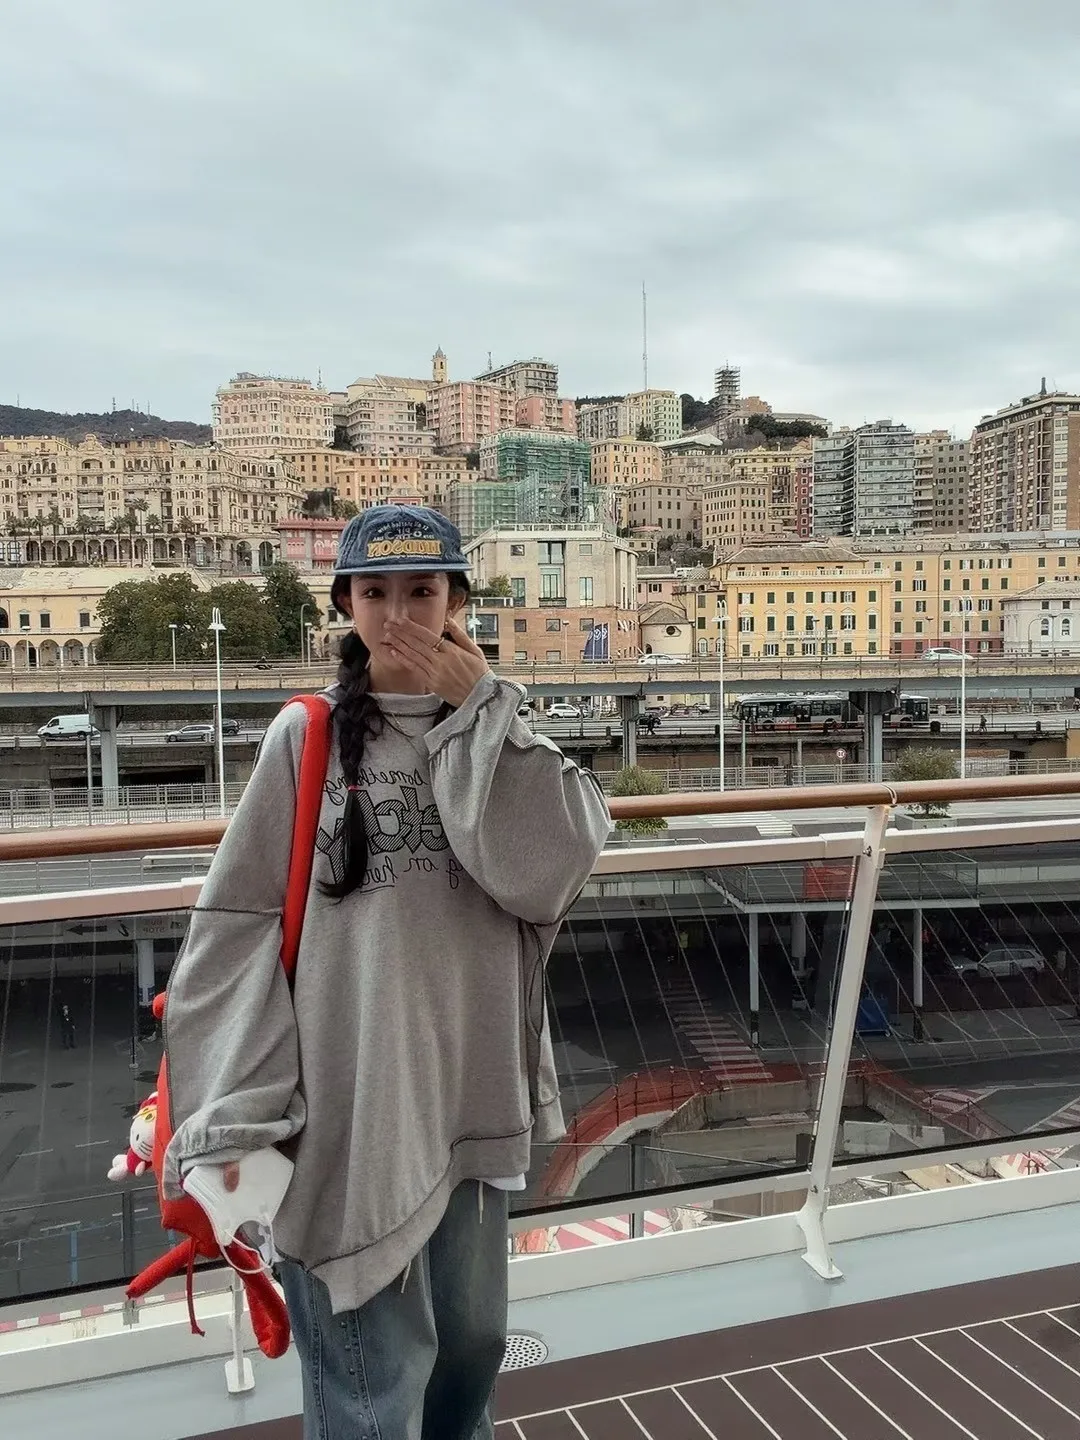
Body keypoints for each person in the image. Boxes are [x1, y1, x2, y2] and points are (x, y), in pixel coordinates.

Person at [161, 506, 610, 1439]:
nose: (399, 615)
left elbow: (555, 864)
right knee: (374, 1381)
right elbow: (235, 928)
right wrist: (245, 1103)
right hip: (352, 1110)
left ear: (457, 603)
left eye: (422, 591)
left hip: (471, 1099)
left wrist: (484, 710)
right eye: (376, 592)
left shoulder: (494, 730)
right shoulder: (309, 739)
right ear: (345, 606)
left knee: (471, 1351)